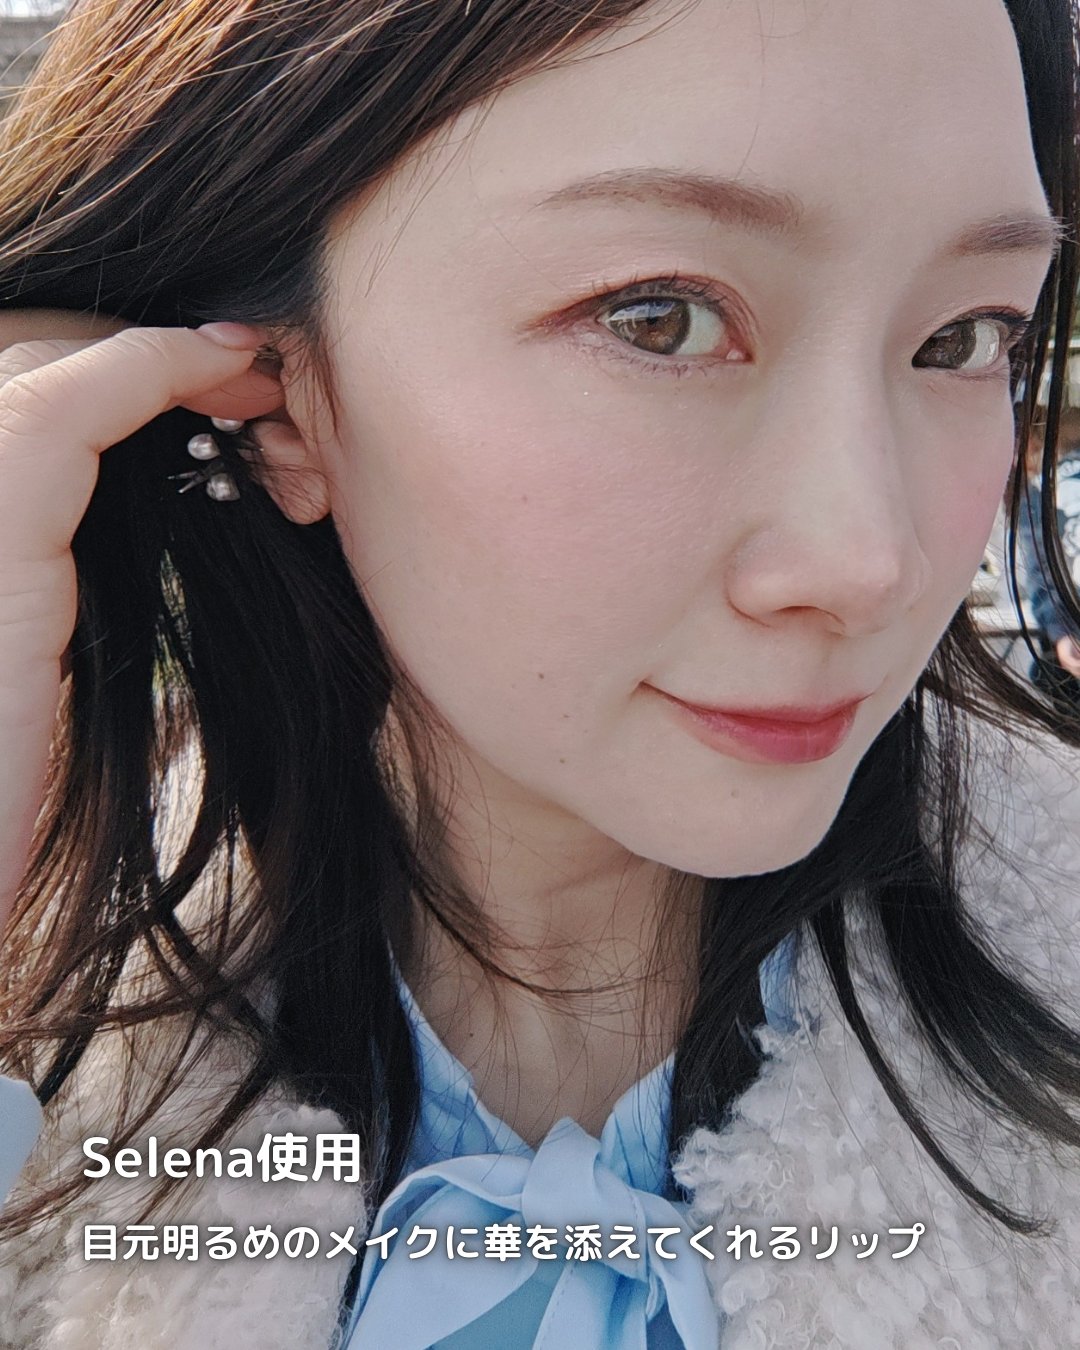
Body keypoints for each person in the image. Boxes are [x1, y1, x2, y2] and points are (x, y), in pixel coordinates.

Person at [1, 0, 1080, 1346]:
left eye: (963, 338)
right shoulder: (48, 1062)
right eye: (659, 318)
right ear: (274, 396)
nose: (871, 560)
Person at [1014, 415, 1080, 715]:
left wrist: (1060, 631)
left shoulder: (1036, 492)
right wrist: (1062, 632)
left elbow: (1040, 571)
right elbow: (1041, 570)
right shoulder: (1035, 494)